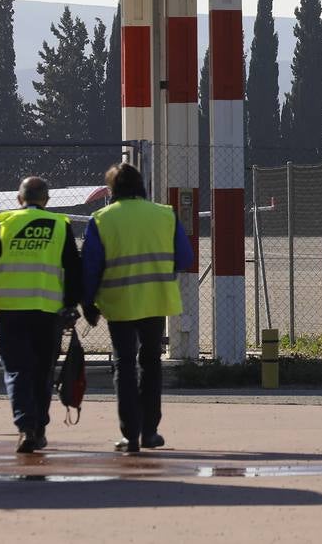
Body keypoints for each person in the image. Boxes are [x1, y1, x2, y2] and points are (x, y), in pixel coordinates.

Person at [82, 162, 193, 453]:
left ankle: (129, 434)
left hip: (118, 303)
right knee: (151, 365)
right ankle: (150, 430)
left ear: (111, 190)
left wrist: (88, 303)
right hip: (156, 300)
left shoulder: (101, 219)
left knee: (125, 365)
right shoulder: (165, 214)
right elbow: (184, 257)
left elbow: (90, 267)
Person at [0, 176, 80, 454]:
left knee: (17, 370)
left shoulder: (3, 223)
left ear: (19, 199)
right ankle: (39, 428)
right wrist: (73, 305)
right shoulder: (60, 226)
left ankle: (26, 427)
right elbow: (73, 270)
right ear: (47, 201)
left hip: (12, 312)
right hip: (48, 313)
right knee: (43, 373)